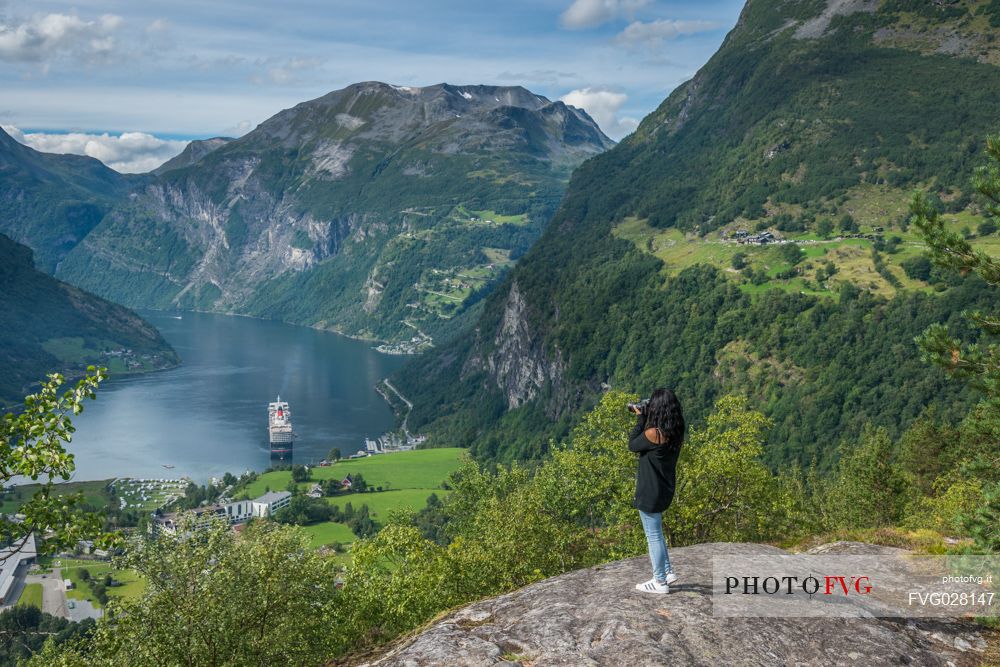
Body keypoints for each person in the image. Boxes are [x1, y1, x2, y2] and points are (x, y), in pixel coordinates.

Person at [628, 388, 685, 594]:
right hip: (664, 488)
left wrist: (640, 419)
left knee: (653, 536)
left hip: (650, 491)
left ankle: (659, 581)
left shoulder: (654, 433)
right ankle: (668, 571)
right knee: (658, 533)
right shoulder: (676, 430)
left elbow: (633, 444)